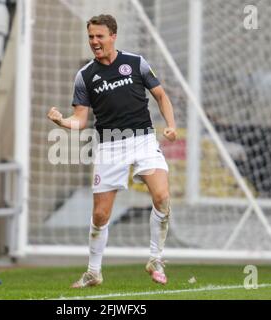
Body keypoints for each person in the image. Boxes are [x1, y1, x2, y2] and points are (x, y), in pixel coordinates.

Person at [47, 14, 177, 288]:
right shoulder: (84, 76)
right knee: (100, 215)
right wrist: (61, 121)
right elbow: (80, 120)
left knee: (163, 197)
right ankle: (93, 272)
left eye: (99, 36)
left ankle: (155, 258)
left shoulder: (136, 62)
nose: (94, 41)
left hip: (143, 140)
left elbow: (161, 96)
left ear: (113, 36)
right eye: (91, 37)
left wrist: (171, 125)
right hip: (110, 146)